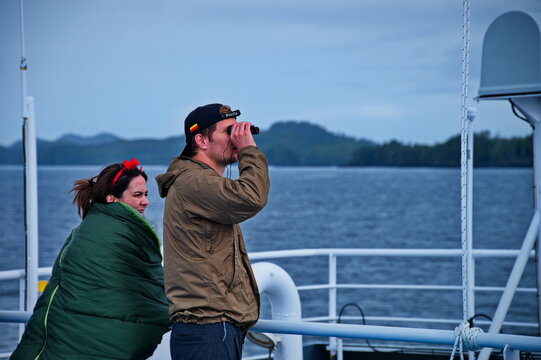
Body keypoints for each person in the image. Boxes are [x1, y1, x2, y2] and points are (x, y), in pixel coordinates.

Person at [11, 158, 170, 360]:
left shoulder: (89, 228)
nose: (146, 201)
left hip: (59, 334)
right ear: (112, 199)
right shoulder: (118, 233)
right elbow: (153, 282)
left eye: (146, 194)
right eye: (137, 195)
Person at [155, 103, 270, 359]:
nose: (236, 137)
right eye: (228, 131)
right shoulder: (194, 181)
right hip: (208, 326)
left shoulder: (200, 182)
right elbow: (252, 198)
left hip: (213, 326)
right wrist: (249, 150)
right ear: (201, 140)